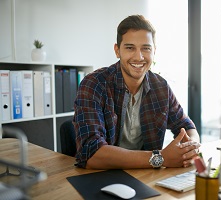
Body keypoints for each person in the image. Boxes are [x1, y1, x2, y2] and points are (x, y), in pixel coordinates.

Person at [73, 14, 201, 170]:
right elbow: (91, 154)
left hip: (146, 176)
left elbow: (187, 126)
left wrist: (191, 148)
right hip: (102, 177)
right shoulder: (94, 84)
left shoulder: (161, 87)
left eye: (146, 48)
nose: (139, 57)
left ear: (154, 51)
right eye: (130, 48)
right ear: (117, 50)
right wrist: (160, 158)